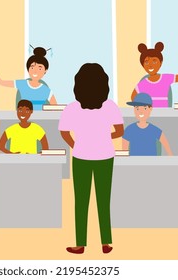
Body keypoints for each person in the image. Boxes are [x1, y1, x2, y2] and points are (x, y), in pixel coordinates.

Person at [59, 63, 124, 254]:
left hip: (81, 157)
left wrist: (76, 144)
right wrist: (104, 137)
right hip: (105, 157)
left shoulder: (72, 108)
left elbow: (64, 132)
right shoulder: (110, 106)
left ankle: (80, 244)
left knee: (81, 201)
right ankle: (106, 242)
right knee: (104, 200)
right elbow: (119, 131)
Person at [131, 42, 178, 107]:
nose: (150, 65)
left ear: (160, 63)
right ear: (143, 65)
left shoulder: (166, 78)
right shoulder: (143, 83)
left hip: (164, 114)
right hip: (149, 115)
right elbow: (133, 97)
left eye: (154, 61)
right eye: (146, 62)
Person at [0, 46, 57, 110]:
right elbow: (2, 83)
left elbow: (55, 108)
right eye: (32, 67)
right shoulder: (22, 84)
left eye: (40, 68)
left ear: (45, 70)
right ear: (28, 69)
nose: (35, 71)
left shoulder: (46, 90)